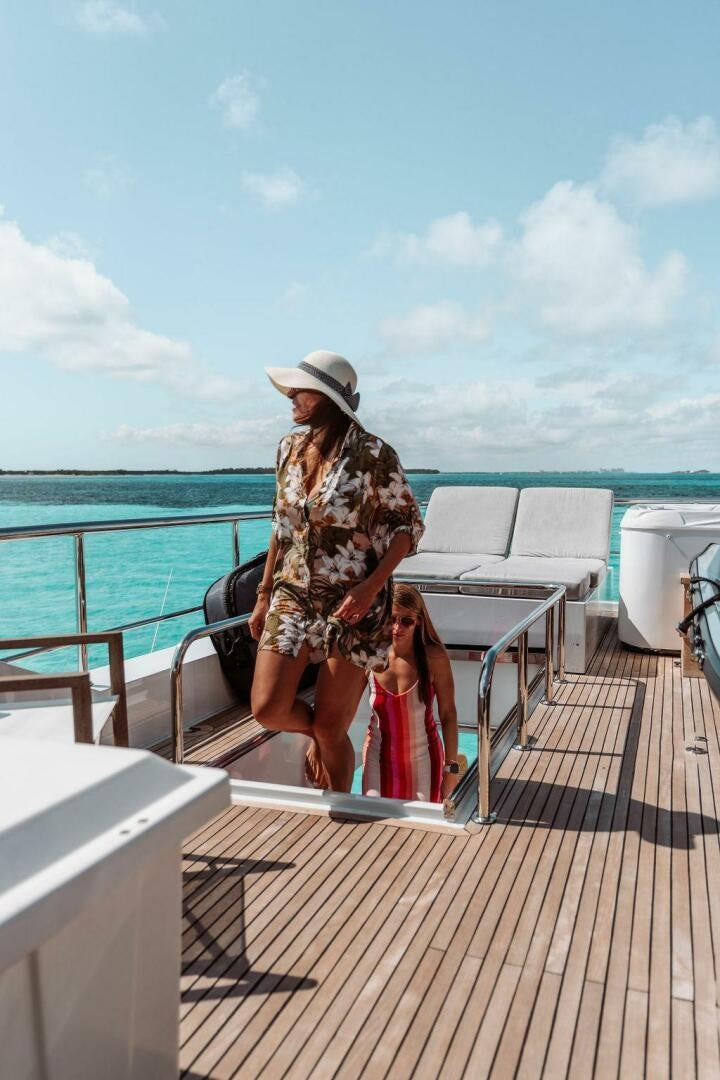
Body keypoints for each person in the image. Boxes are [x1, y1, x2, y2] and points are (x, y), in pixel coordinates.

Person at [249, 350, 425, 792]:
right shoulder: (289, 448)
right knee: (267, 707)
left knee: (331, 729)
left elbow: (406, 527)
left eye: (300, 390)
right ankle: (317, 736)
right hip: (292, 593)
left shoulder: (373, 455)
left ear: (326, 397)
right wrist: (264, 591)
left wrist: (371, 588)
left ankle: (344, 805)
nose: (290, 395)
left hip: (352, 601)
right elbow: (279, 525)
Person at [362, 584, 460, 803]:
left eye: (406, 620)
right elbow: (345, 707)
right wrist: (319, 742)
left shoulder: (434, 658)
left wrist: (451, 770)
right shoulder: (370, 653)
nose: (397, 627)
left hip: (424, 761)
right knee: (373, 818)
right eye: (391, 619)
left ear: (419, 622)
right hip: (377, 758)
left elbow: (448, 714)